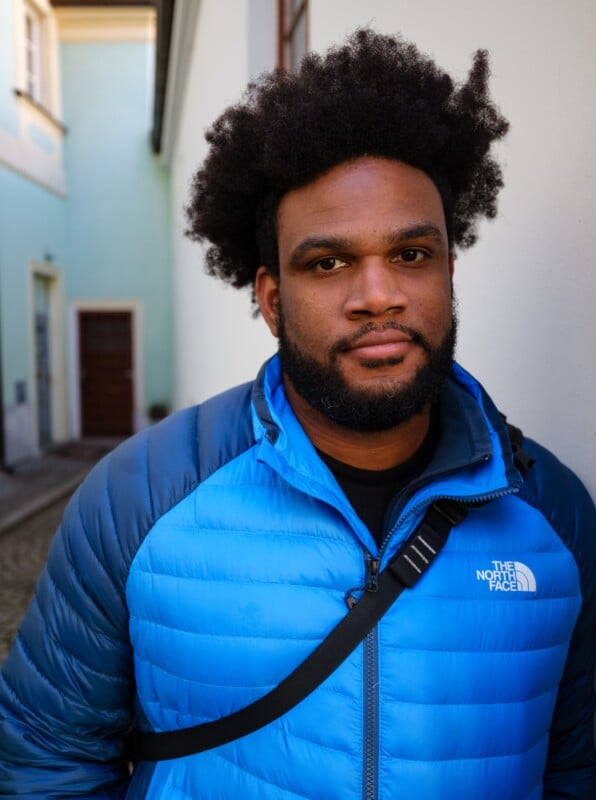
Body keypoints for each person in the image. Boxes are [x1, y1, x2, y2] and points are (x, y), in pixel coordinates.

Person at [0, 28, 594, 799]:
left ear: (450, 268)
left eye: (412, 254)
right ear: (271, 299)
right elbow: (46, 765)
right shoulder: (135, 502)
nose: (378, 295)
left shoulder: (554, 511)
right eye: (329, 262)